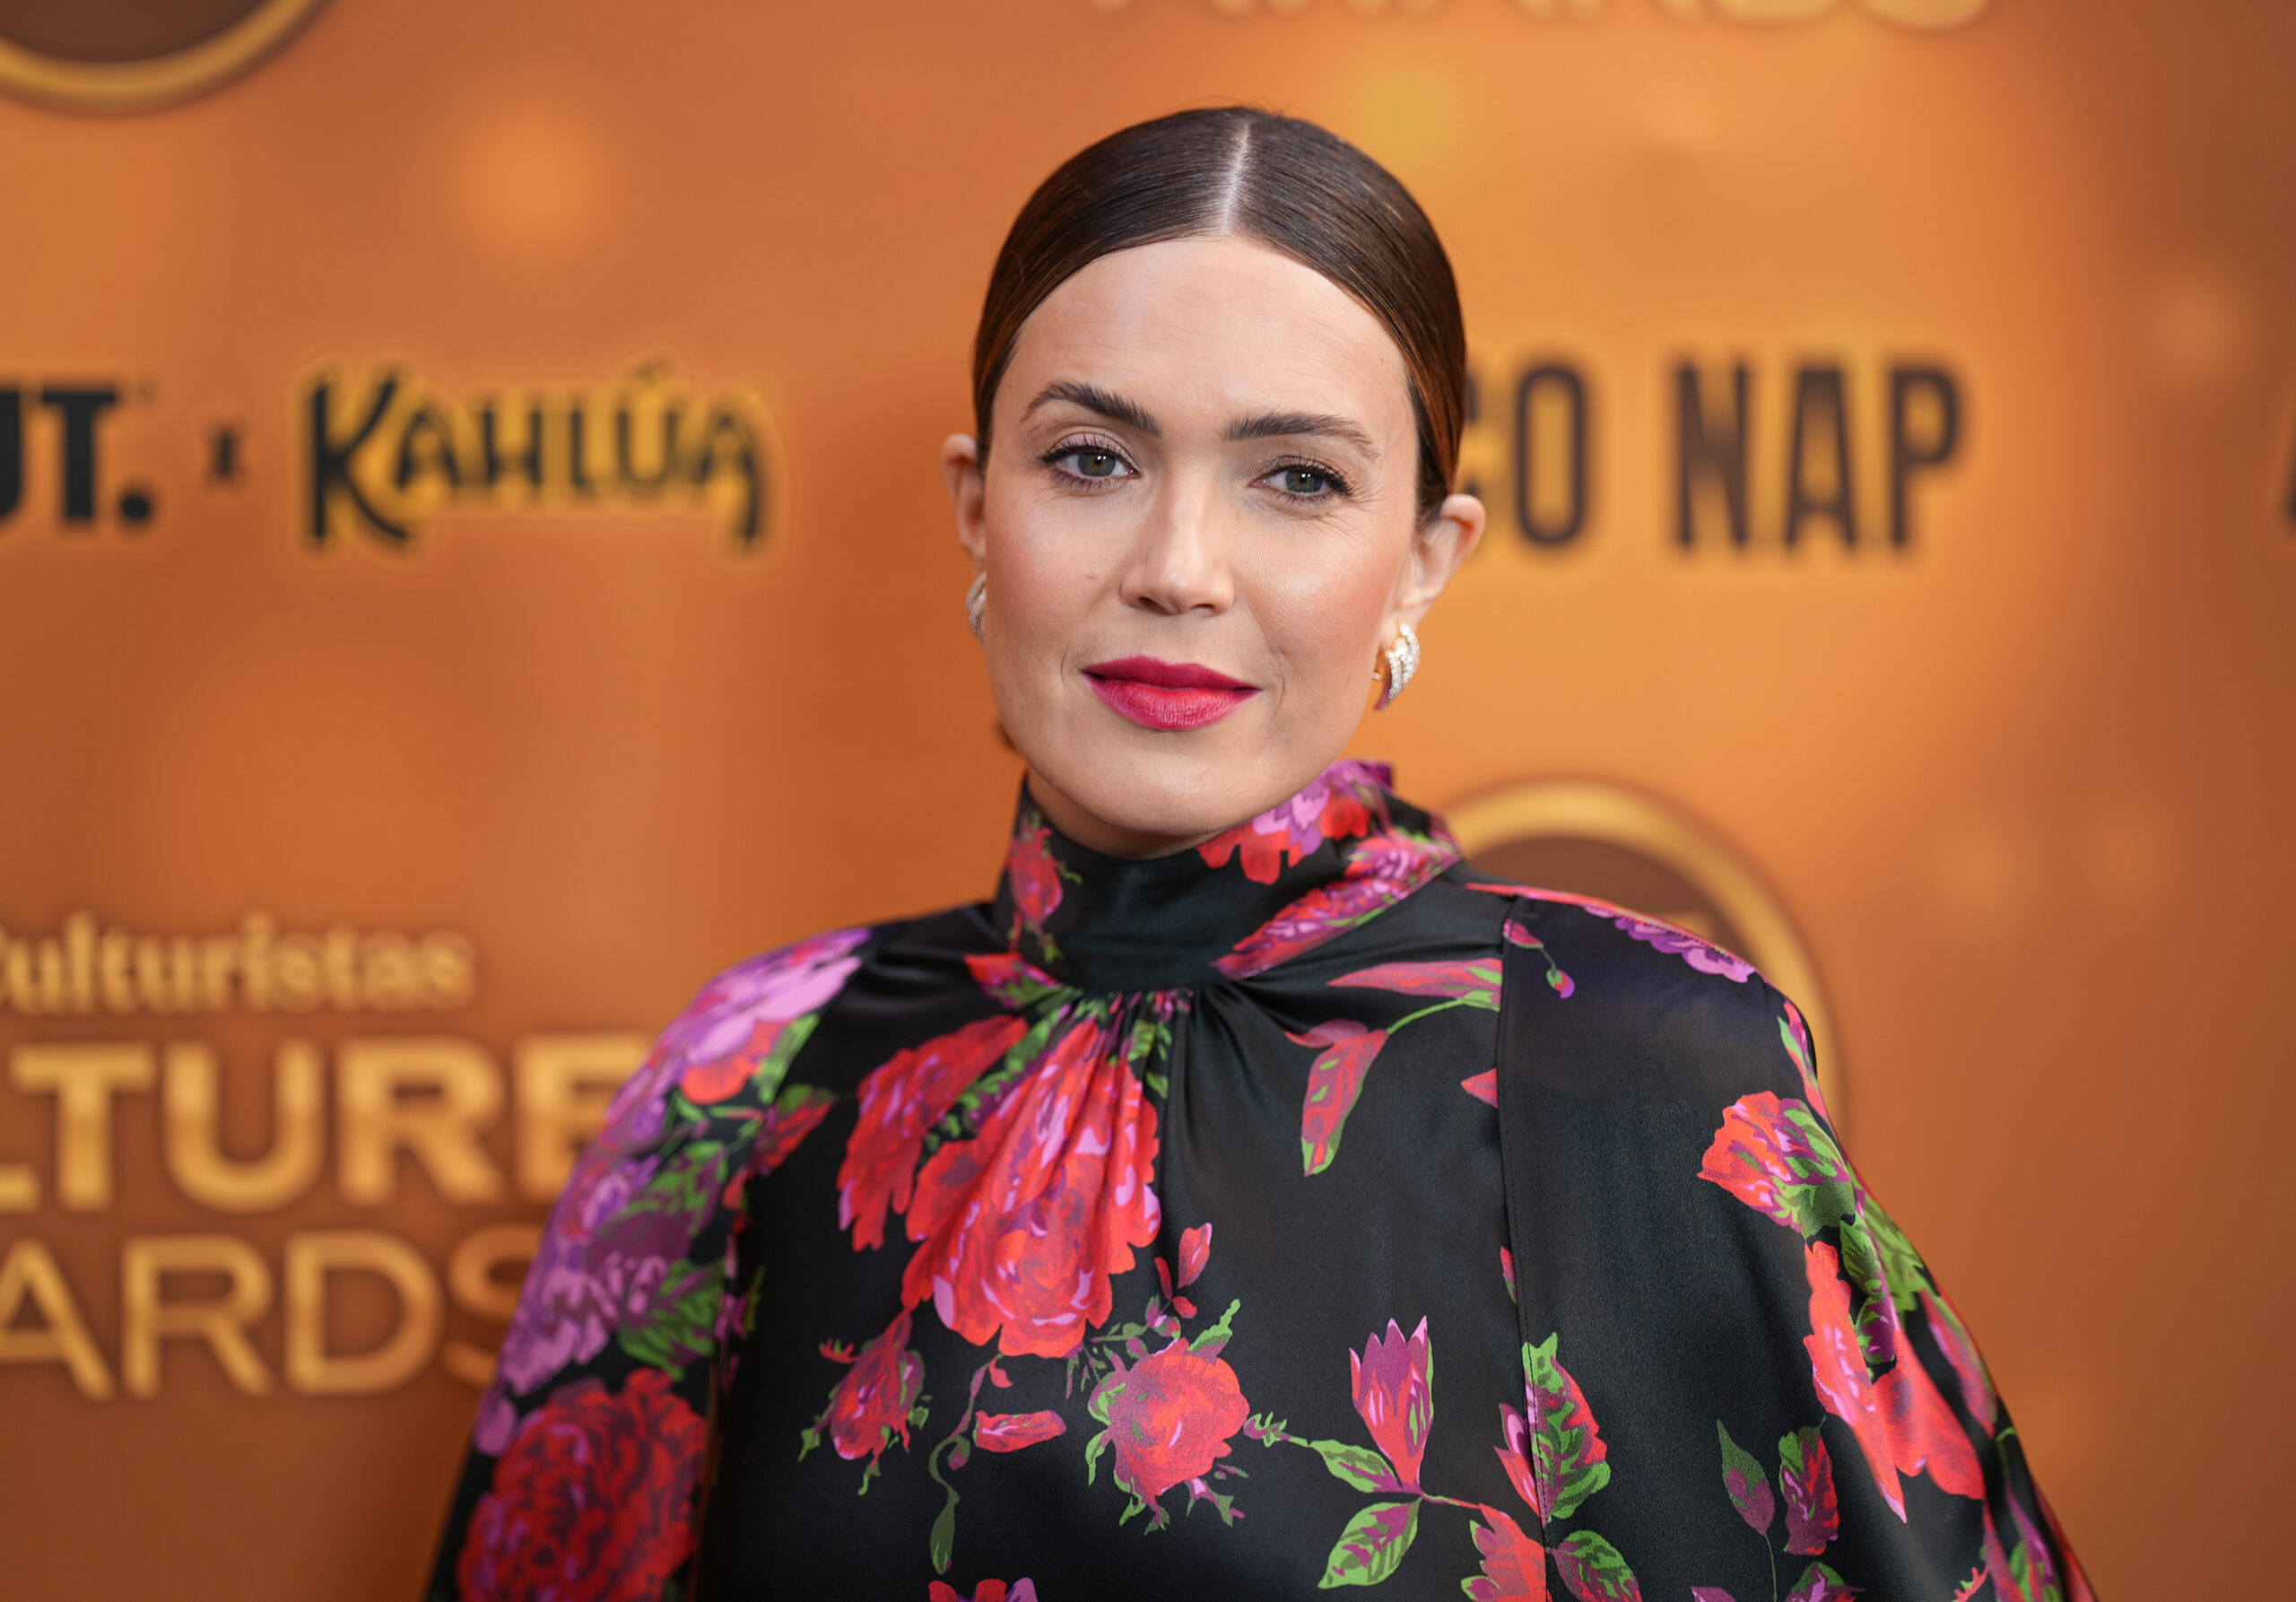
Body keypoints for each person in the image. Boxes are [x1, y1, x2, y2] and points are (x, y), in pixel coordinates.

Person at [428, 109, 2090, 1602]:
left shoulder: (1647, 1065)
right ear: (973, 507)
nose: (1177, 566)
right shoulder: (750, 1074)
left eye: (1297, 478)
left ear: (1426, 559)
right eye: (1090, 459)